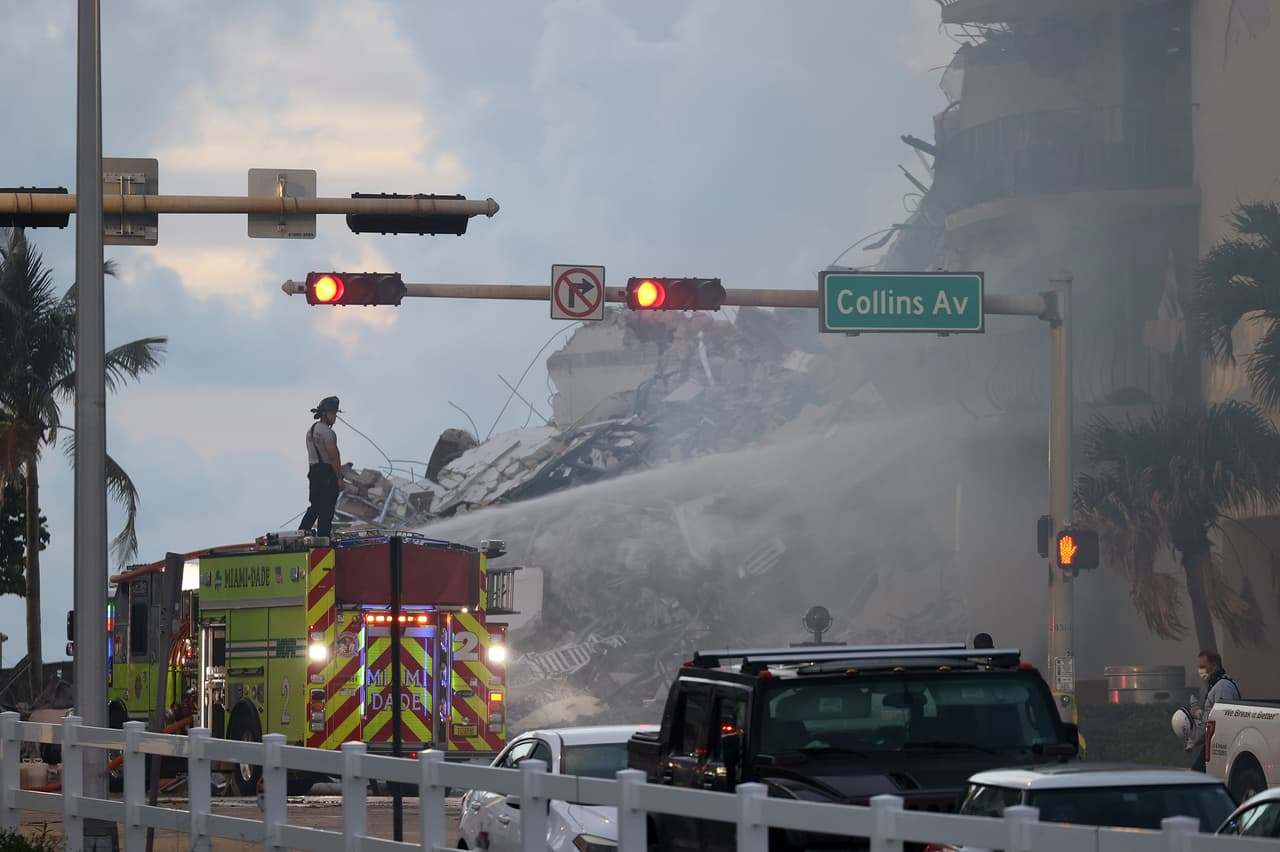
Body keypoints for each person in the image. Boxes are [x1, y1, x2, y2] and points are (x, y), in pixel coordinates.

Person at [299, 396, 346, 539]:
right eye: (333, 413)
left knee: (314, 506)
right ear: (326, 414)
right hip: (327, 474)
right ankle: (324, 539)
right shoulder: (328, 433)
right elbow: (333, 456)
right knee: (327, 508)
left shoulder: (310, 431)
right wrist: (339, 478)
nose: (335, 416)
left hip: (313, 473)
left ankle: (301, 534)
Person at [1189, 648, 1241, 772]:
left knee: (1196, 777)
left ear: (1214, 666)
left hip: (1218, 743)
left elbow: (1222, 718)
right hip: (1212, 743)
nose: (1200, 670)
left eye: (1203, 666)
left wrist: (1197, 713)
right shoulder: (1217, 685)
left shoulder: (1223, 686)